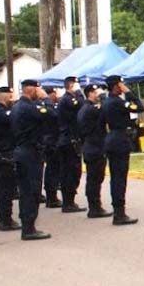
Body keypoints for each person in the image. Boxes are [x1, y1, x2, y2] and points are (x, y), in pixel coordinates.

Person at [10, 79, 51, 241]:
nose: (39, 91)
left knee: (28, 190)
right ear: (30, 89)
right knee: (31, 191)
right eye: (37, 88)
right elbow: (51, 114)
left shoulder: (17, 107)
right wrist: (46, 98)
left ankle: (28, 226)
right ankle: (28, 228)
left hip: (24, 151)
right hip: (29, 153)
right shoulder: (27, 107)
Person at [102, 75, 143, 225]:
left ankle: (118, 211)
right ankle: (119, 213)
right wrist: (128, 92)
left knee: (116, 177)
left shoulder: (106, 102)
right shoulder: (117, 102)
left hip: (112, 138)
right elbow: (139, 107)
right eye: (121, 84)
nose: (123, 86)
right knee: (119, 177)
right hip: (119, 140)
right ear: (116, 86)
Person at [77, 83, 113, 218]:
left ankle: (95, 206)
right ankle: (94, 207)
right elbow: (106, 110)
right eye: (95, 92)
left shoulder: (86, 108)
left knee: (95, 178)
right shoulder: (90, 109)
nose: (98, 94)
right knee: (94, 179)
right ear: (90, 94)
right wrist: (103, 97)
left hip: (91, 145)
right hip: (94, 146)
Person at [0, 86, 20, 232]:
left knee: (7, 189)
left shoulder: (0, 111)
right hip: (3, 155)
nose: (12, 97)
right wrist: (17, 103)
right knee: (4, 190)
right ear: (5, 96)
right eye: (11, 95)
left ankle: (6, 218)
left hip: (5, 153)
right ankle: (5, 220)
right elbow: (15, 117)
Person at [57, 76, 85, 213]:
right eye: (76, 84)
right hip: (69, 140)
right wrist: (79, 92)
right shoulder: (68, 99)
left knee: (72, 171)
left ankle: (69, 201)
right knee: (71, 171)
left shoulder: (68, 99)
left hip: (71, 139)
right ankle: (68, 202)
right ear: (70, 86)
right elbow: (82, 105)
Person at [41, 87, 62, 208]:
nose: (56, 95)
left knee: (54, 169)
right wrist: (47, 99)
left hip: (52, 140)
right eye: (54, 93)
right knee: (52, 170)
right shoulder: (45, 106)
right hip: (50, 141)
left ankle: (52, 195)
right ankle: (51, 196)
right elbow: (54, 116)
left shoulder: (50, 105)